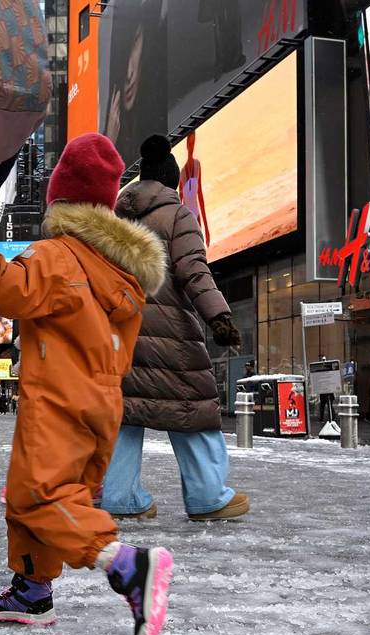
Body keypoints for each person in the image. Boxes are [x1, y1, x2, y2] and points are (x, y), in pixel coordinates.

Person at [0, 133, 175, 635]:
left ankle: (125, 564)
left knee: (37, 495)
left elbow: (12, 291)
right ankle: (32, 591)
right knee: (44, 493)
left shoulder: (58, 255)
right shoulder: (120, 272)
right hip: (101, 402)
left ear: (60, 202)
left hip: (58, 397)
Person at [99, 135, 248, 523]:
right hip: (172, 336)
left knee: (124, 415)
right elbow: (193, 270)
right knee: (192, 410)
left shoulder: (116, 219)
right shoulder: (178, 216)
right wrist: (219, 316)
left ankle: (120, 497)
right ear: (171, 182)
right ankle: (208, 496)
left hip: (121, 335)